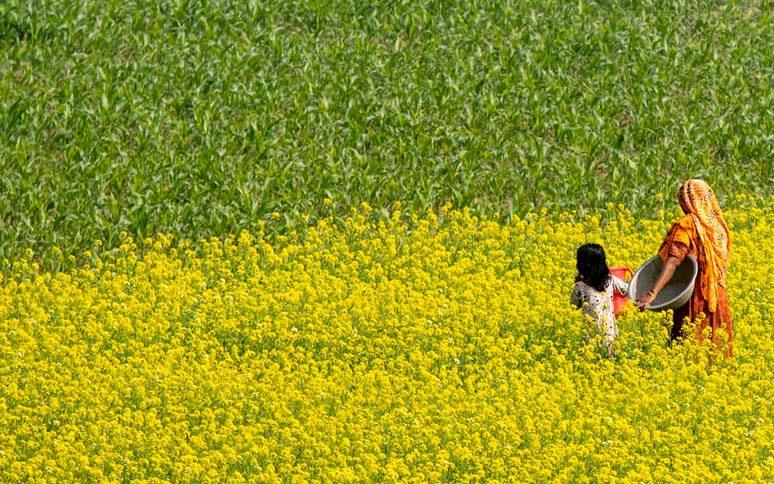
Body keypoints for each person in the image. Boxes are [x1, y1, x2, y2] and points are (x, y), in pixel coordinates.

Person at [635, 179, 732, 357]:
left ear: (688, 200)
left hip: (695, 295)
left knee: (690, 347)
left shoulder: (687, 225)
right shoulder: (718, 226)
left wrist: (652, 293)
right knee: (716, 352)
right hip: (718, 296)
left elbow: (673, 261)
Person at [570, 243, 629, 356]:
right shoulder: (610, 280)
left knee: (592, 358)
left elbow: (573, 305)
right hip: (609, 331)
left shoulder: (580, 286)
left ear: (582, 264)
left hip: (590, 334)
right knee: (609, 358)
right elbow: (628, 290)